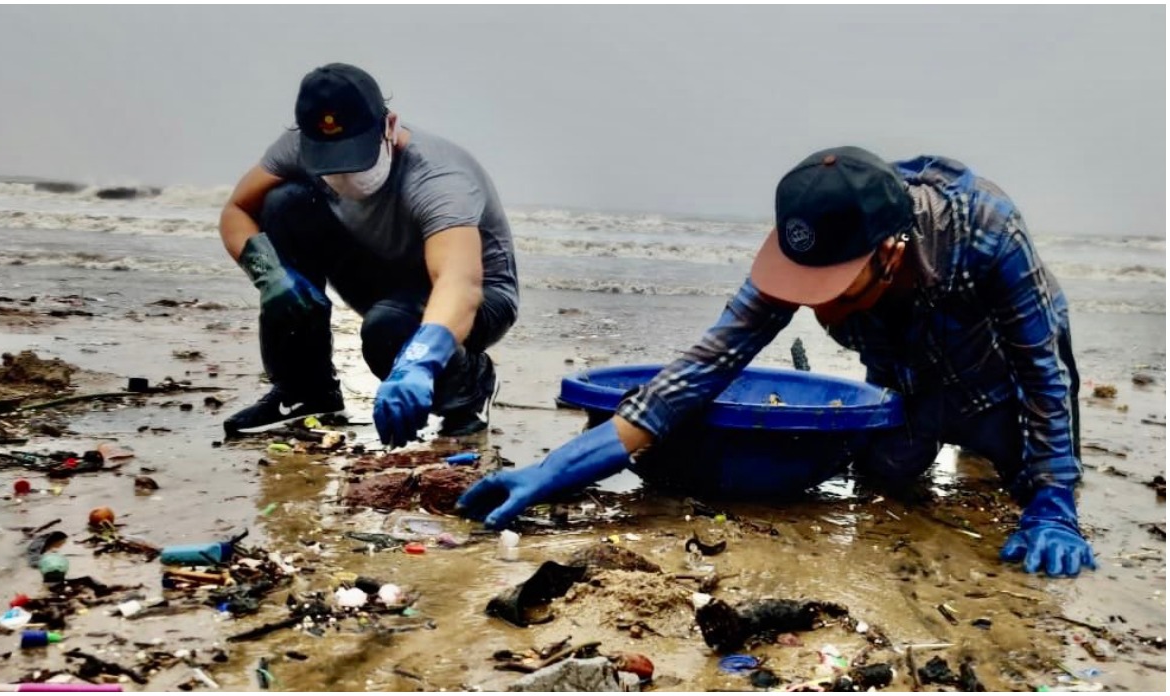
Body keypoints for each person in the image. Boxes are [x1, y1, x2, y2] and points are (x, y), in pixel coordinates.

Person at [458, 146, 1095, 578]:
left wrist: (1055, 499)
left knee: (1021, 474)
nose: (818, 313)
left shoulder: (983, 227)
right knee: (886, 472)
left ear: (892, 256)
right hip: (901, 372)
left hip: (995, 370)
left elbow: (1043, 371)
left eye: (833, 295)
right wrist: (556, 468)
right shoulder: (809, 246)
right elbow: (705, 366)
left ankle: (1004, 465)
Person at [218, 63, 518, 445]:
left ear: (389, 127)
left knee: (386, 330)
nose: (344, 174)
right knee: (283, 203)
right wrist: (269, 274)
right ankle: (306, 392)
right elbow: (236, 211)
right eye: (330, 160)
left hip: (475, 297)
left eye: (355, 156)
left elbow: (459, 283)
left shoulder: (440, 177)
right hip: (381, 272)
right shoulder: (295, 147)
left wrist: (420, 362)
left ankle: (469, 389)